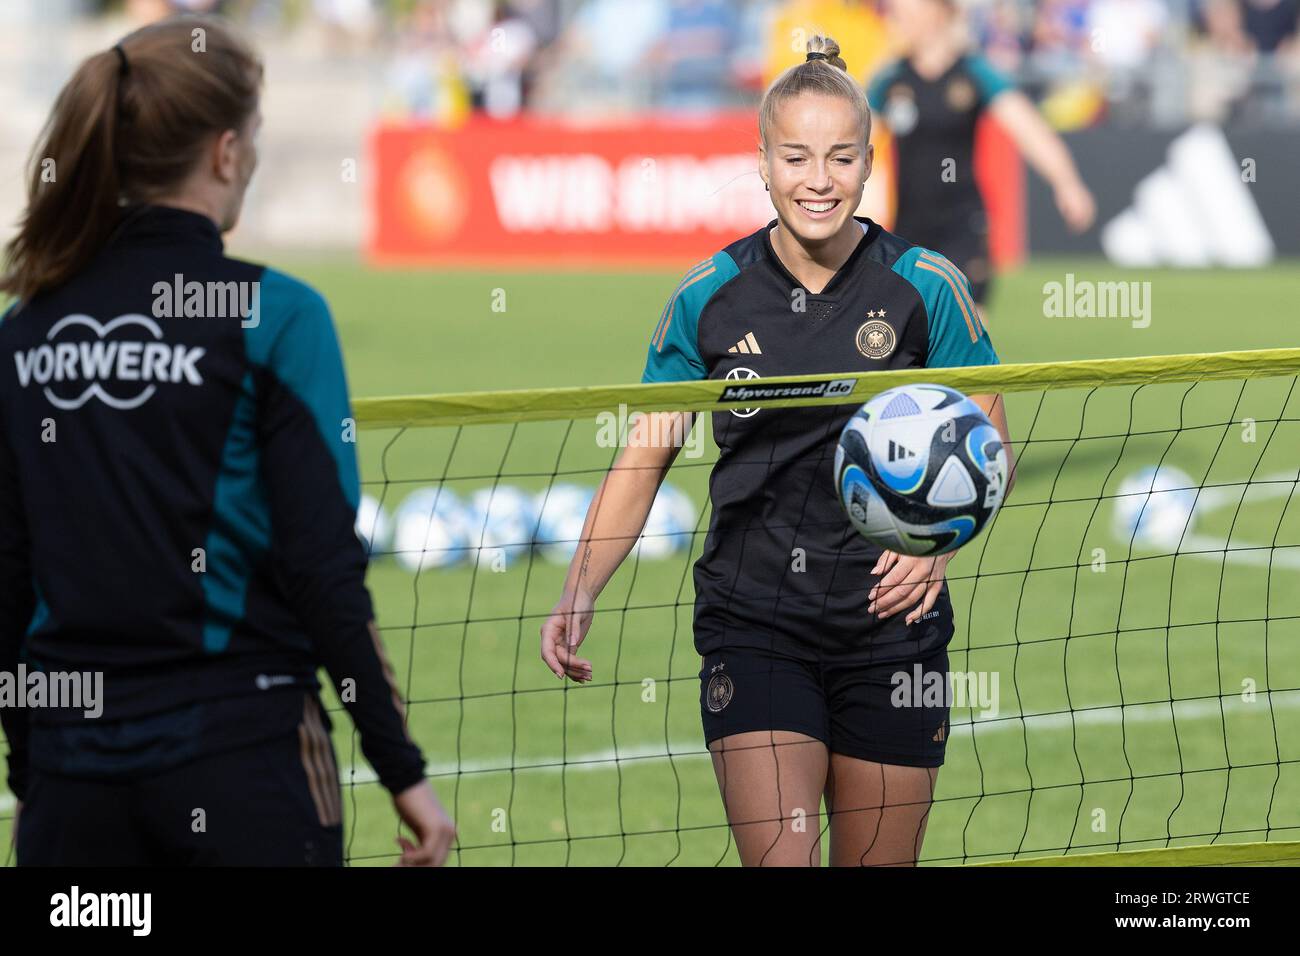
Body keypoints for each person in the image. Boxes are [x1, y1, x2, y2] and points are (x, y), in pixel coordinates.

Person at [541, 35, 1015, 866]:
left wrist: (944, 548)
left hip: (893, 632)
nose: (818, 179)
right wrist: (580, 587)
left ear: (869, 164)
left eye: (839, 158)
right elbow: (643, 458)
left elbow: (987, 433)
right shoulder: (708, 298)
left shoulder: (927, 285)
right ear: (762, 163)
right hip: (755, 623)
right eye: (796, 157)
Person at [0, 15, 454, 866]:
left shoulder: (24, 331)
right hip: (244, 762)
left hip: (73, 785)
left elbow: (8, 582)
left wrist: (39, 774)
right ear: (224, 153)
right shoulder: (277, 314)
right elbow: (322, 570)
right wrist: (403, 772)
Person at [868, 0, 1095, 318]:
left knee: (967, 333)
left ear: (939, 13)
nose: (897, 23)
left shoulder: (974, 73)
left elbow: (1029, 129)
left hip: (963, 226)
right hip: (909, 230)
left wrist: (1067, 183)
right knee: (910, 339)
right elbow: (855, 143)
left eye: (907, 14)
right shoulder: (890, 79)